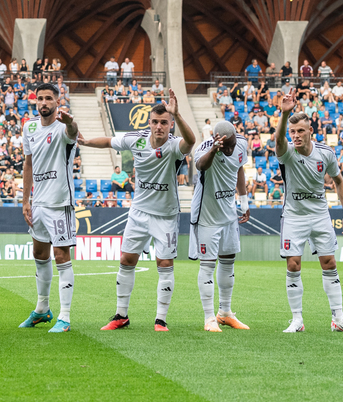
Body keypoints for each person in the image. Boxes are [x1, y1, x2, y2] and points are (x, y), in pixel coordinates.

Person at [79, 91, 196, 331]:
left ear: (170, 124)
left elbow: (191, 141)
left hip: (165, 215)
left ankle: (160, 320)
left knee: (164, 263)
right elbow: (109, 141)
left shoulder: (175, 145)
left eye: (164, 122)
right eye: (155, 122)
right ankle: (121, 315)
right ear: (149, 122)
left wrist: (178, 114)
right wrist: (86, 142)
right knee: (126, 259)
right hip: (139, 212)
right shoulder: (136, 139)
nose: (159, 126)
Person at [275, 90, 343, 333]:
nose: (296, 135)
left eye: (300, 131)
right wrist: (284, 114)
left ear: (310, 130)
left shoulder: (326, 153)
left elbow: (339, 181)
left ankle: (338, 319)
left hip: (320, 215)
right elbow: (278, 141)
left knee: (329, 263)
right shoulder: (287, 152)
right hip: (294, 216)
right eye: (292, 131)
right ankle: (297, 320)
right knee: (293, 265)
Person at [17, 83, 80, 333]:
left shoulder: (63, 127)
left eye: (49, 98)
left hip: (60, 203)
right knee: (39, 254)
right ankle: (42, 309)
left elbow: (73, 132)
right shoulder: (29, 127)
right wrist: (26, 201)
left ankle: (64, 317)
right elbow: (28, 164)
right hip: (39, 203)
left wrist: (71, 122)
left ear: (57, 101)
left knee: (61, 256)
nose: (43, 102)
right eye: (40, 98)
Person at [189, 121, 251, 332]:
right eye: (226, 146)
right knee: (207, 265)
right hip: (207, 216)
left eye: (232, 145)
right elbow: (200, 166)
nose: (230, 150)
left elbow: (239, 167)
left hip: (228, 214)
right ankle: (209, 318)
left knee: (228, 262)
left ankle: (225, 313)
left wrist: (243, 201)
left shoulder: (241, 143)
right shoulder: (205, 149)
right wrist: (214, 150)